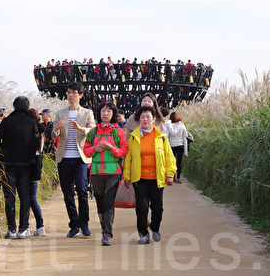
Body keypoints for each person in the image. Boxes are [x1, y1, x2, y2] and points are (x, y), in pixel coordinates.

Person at [123, 106, 176, 244]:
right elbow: (128, 159)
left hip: (157, 178)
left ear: (154, 119)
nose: (145, 119)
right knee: (142, 207)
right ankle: (143, 234)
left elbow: (169, 157)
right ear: (139, 120)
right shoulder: (134, 138)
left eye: (148, 117)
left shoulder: (161, 138)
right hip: (139, 178)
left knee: (158, 207)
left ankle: (155, 227)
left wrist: (170, 174)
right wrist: (126, 176)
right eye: (142, 117)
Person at [50, 81, 96, 237]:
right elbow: (53, 135)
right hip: (64, 158)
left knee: (82, 191)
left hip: (80, 158)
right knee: (67, 193)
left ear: (80, 95)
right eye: (69, 92)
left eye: (74, 93)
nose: (71, 95)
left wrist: (80, 128)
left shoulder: (87, 113)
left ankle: (84, 223)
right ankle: (74, 225)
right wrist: (55, 130)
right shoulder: (60, 112)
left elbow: (92, 132)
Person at [0, 96, 40, 239]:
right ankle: (23, 229)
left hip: (8, 165)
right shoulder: (32, 122)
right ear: (27, 107)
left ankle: (11, 230)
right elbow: (37, 144)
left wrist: (3, 150)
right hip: (26, 167)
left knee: (9, 198)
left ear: (13, 106)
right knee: (25, 197)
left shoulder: (7, 121)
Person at [83, 102, 129, 246]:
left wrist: (111, 148)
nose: (105, 113)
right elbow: (86, 150)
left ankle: (106, 233)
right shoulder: (93, 132)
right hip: (96, 171)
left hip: (113, 172)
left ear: (113, 114)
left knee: (109, 202)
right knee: (100, 203)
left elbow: (124, 151)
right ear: (99, 113)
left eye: (109, 111)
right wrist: (95, 148)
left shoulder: (118, 131)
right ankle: (105, 229)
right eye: (103, 110)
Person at [27, 108, 46, 236]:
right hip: (37, 167)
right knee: (32, 198)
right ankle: (40, 227)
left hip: (28, 167)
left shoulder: (29, 132)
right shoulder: (41, 133)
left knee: (28, 199)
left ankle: (26, 227)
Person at [167, 112, 189, 183]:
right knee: (179, 162)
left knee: (172, 162)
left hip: (172, 145)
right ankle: (178, 177)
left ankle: (172, 176)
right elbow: (185, 134)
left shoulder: (169, 125)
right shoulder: (182, 125)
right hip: (180, 145)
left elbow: (168, 135)